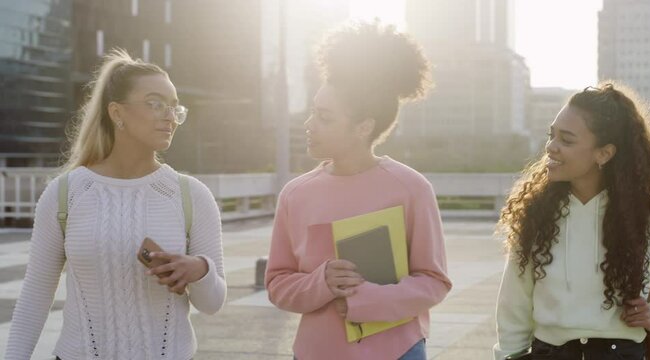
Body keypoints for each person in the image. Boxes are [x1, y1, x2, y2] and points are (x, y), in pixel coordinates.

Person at [5, 49, 226, 360]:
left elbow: (213, 303)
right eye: (155, 104)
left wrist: (200, 270)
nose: (169, 116)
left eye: (175, 108)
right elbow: (36, 292)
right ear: (117, 112)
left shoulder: (192, 196)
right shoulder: (65, 193)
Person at [265, 21, 452, 360]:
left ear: (363, 126)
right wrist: (322, 281)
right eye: (313, 112)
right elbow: (278, 284)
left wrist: (363, 299)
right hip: (315, 353)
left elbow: (434, 281)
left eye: (324, 117)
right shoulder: (295, 194)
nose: (309, 125)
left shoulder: (411, 189)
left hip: (398, 351)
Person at [493, 83, 650, 359]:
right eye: (552, 135)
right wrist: (509, 356)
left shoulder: (648, 214)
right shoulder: (537, 213)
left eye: (566, 140)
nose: (551, 147)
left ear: (604, 153)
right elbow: (514, 301)